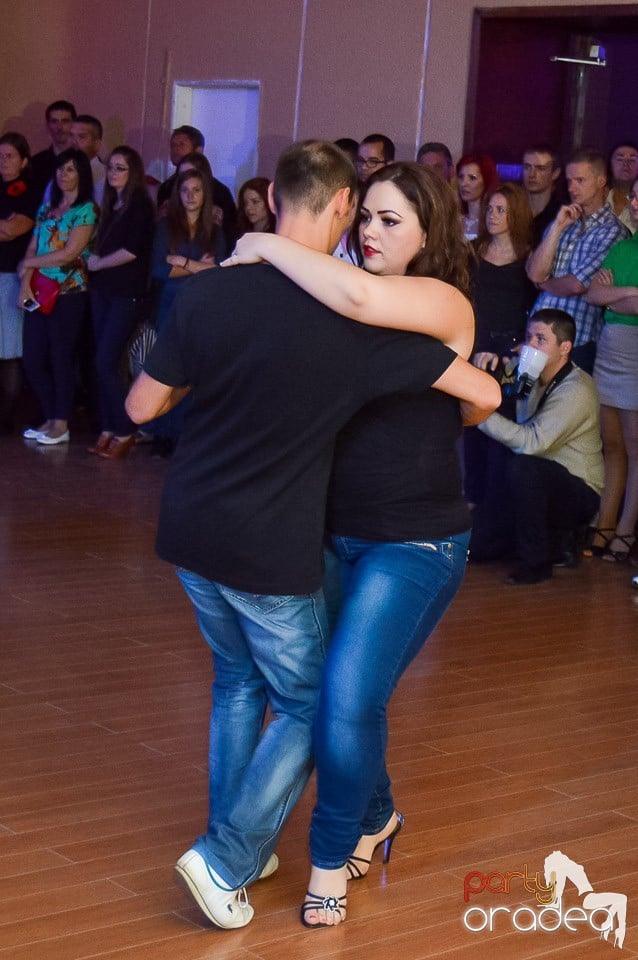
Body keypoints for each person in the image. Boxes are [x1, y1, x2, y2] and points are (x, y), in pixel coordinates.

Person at [125, 142, 498, 930]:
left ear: (430, 234)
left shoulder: (425, 303)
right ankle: (365, 817)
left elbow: (477, 389)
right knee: (327, 695)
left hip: (405, 534)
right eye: (363, 216)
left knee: (327, 696)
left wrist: (260, 243)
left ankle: (281, 857)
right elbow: (344, 303)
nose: (368, 232)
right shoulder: (337, 303)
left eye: (390, 220)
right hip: (324, 530)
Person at [470, 310, 603, 584]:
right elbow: (504, 394)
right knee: (479, 549)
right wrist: (489, 366)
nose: (530, 345)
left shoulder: (577, 388)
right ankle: (545, 544)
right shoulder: (529, 370)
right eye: (529, 336)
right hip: (538, 478)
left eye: (540, 339)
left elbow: (532, 443)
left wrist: (477, 416)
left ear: (564, 348)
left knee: (523, 465)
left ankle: (537, 563)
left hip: (577, 488)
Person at [19, 148, 97, 445]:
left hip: (69, 292)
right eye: (60, 169)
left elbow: (70, 252)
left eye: (70, 170)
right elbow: (33, 248)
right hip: (39, 289)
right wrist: (26, 280)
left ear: (81, 174)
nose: (63, 175)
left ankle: (61, 423)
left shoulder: (86, 209)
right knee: (33, 359)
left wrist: (29, 265)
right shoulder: (47, 208)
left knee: (60, 357)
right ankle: (51, 416)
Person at [464, 182, 536, 506]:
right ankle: (474, 498)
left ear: (516, 214)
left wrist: (520, 349)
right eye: (490, 208)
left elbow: (536, 308)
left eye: (501, 210)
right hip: (476, 346)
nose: (492, 215)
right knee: (472, 422)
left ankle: (497, 506)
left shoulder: (529, 258)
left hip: (513, 354)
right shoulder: (474, 250)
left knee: (507, 420)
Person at [527, 149, 629, 373]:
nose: (572, 188)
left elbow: (576, 285)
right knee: (526, 403)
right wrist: (556, 228)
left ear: (601, 181)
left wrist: (544, 284)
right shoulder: (565, 221)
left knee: (565, 405)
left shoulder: (612, 231)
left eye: (580, 180)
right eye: (570, 181)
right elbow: (534, 273)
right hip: (537, 336)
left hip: (576, 340)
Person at [148, 167, 222, 457]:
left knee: (192, 374)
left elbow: (218, 270)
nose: (191, 196)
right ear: (177, 195)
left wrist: (183, 262)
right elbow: (158, 269)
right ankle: (162, 433)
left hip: (202, 307)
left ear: (205, 195)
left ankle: (184, 435)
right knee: (167, 370)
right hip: (170, 304)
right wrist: (198, 266)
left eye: (197, 190)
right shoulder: (166, 228)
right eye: (185, 190)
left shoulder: (214, 232)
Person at [87, 146, 155, 459]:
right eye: (112, 167)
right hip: (104, 291)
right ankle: (108, 426)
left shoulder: (139, 204)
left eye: (120, 168)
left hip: (125, 292)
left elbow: (132, 250)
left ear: (133, 173)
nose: (113, 173)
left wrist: (99, 264)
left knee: (106, 361)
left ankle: (125, 428)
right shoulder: (113, 204)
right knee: (104, 363)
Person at [584, 176, 638, 561]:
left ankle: (626, 529)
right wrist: (630, 294)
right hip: (610, 352)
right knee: (612, 446)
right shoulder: (622, 248)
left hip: (635, 357)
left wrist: (616, 296)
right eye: (635, 198)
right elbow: (594, 294)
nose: (636, 205)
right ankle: (604, 523)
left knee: (636, 449)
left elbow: (615, 300)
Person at [0, 133, 37, 433]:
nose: (3, 161)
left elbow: (15, 229)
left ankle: (6, 416)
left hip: (12, 276)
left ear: (24, 160)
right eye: (0, 155)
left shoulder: (29, 190)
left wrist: (7, 225)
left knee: (10, 348)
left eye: (10, 155)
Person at [156, 125, 237, 252]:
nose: (175, 150)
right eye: (173, 145)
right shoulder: (166, 187)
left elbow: (230, 234)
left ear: (198, 150)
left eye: (181, 145)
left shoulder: (220, 192)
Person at [30, 100, 76, 201]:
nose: (59, 127)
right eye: (54, 121)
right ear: (48, 125)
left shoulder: (84, 161)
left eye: (65, 121)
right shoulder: (35, 163)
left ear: (74, 124)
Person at [521, 143, 562, 248]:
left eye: (540, 168)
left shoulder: (561, 214)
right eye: (527, 167)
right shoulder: (511, 208)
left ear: (555, 173)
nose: (532, 174)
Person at [456, 153, 498, 239]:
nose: (464, 183)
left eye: (472, 178)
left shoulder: (493, 221)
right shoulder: (453, 221)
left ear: (486, 181)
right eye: (461, 177)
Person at [71, 114, 105, 204]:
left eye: (81, 137)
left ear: (97, 144)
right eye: (71, 135)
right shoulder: (59, 174)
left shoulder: (106, 178)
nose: (73, 142)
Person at [605, 141, 638, 234]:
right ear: (610, 166)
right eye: (620, 159)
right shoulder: (599, 201)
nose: (626, 164)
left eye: (632, 160)